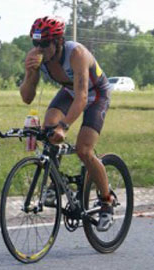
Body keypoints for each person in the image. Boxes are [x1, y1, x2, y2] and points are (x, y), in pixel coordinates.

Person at [20, 16, 113, 231]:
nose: (39, 49)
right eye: (36, 43)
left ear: (58, 42)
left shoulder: (76, 54)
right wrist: (29, 73)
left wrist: (64, 126)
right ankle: (55, 185)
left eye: (44, 44)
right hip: (69, 92)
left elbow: (82, 97)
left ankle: (107, 202)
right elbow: (27, 97)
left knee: (84, 150)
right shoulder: (36, 58)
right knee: (47, 130)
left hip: (95, 95)